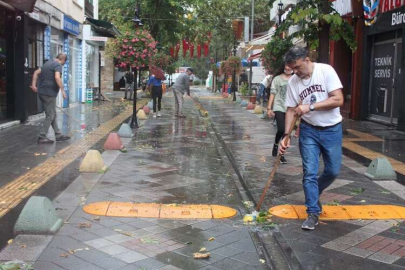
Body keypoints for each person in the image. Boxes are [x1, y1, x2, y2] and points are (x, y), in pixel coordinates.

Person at [278, 47, 344, 230]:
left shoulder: (326, 71)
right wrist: (286, 136)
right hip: (308, 131)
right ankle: (312, 212)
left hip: (332, 129)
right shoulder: (293, 82)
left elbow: (338, 100)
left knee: (333, 171)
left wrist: (310, 107)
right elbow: (291, 109)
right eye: (292, 69)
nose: (296, 72)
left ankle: (316, 191)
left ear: (307, 60)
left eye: (298, 67)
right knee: (310, 172)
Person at [30, 53, 70, 144]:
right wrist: (63, 91)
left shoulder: (47, 64)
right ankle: (42, 136)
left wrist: (33, 85)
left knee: (52, 114)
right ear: (63, 59)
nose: (64, 63)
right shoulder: (57, 65)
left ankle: (58, 134)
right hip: (49, 93)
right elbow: (57, 77)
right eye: (65, 61)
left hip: (42, 92)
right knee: (50, 115)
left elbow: (36, 72)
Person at [267, 65, 294, 164]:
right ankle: (275, 144)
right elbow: (273, 93)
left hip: (290, 108)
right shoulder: (277, 79)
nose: (288, 68)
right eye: (287, 65)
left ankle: (281, 155)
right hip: (279, 106)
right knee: (281, 129)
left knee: (287, 133)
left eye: (290, 66)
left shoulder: (295, 79)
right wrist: (269, 108)